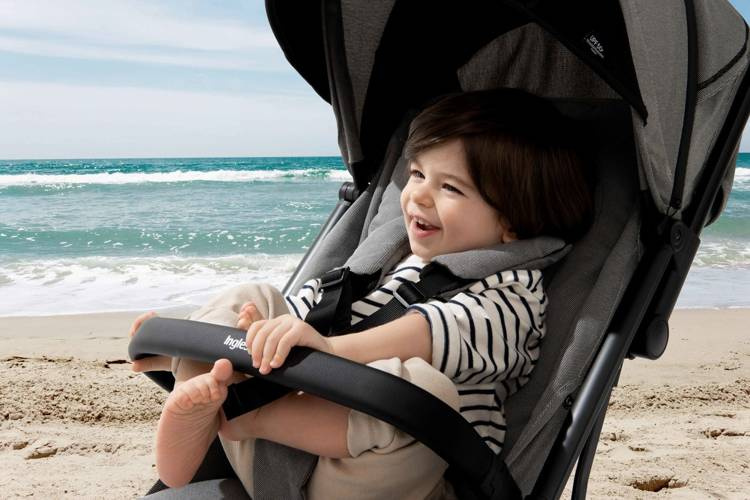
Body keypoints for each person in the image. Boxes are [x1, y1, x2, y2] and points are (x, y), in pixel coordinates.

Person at [130, 88, 593, 499]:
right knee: (255, 297)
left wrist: (330, 349)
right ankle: (201, 401)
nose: (418, 196)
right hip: (283, 455)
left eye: (450, 187)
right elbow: (307, 315)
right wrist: (211, 340)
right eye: (417, 174)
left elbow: (432, 332)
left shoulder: (515, 294)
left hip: (389, 483)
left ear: (513, 221)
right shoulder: (388, 263)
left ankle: (243, 413)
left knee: (423, 389)